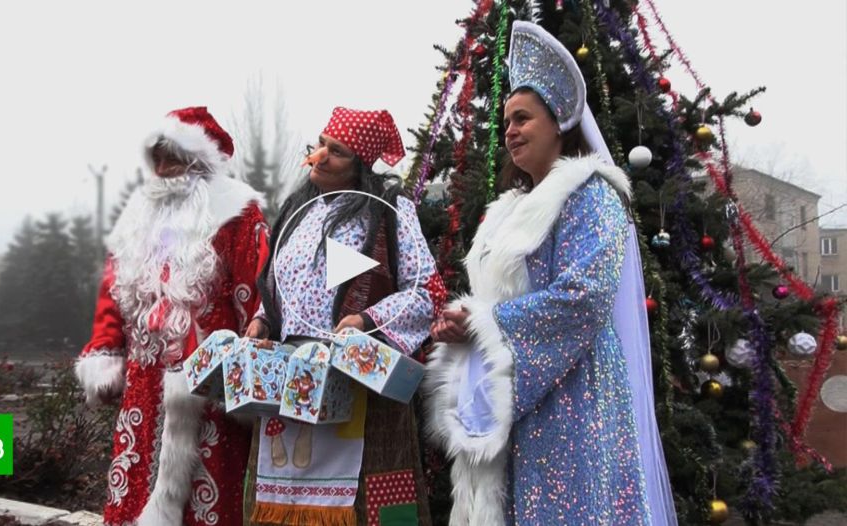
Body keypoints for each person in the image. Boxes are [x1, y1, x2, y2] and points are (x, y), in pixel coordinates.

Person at [425, 22, 677, 525]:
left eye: (523, 118)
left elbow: (583, 297)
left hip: (577, 398)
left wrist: (484, 322)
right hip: (514, 399)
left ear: (559, 122)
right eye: (507, 120)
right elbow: (492, 303)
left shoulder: (593, 196)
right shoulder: (507, 210)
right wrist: (462, 324)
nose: (511, 130)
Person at [243, 107, 447, 525]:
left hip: (358, 387)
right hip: (290, 384)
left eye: (335, 151)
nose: (320, 156)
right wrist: (263, 319)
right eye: (319, 145)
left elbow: (426, 291)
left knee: (368, 508)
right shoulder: (298, 212)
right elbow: (278, 284)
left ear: (360, 164)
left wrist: (366, 321)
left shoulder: (387, 210)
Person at [74, 107, 269, 526]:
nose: (163, 169)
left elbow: (257, 293)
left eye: (173, 158)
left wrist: (254, 345)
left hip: (209, 383)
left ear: (200, 163)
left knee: (207, 499)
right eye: (157, 159)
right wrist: (105, 352)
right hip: (142, 385)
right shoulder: (137, 216)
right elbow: (112, 293)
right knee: (134, 483)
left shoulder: (237, 213)